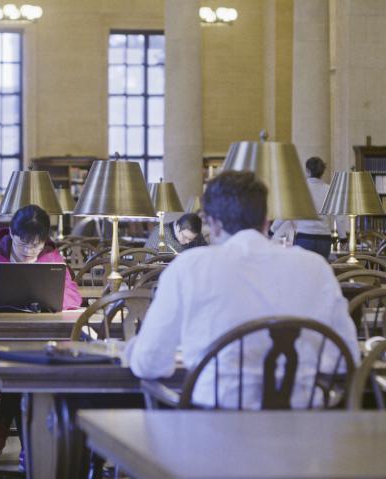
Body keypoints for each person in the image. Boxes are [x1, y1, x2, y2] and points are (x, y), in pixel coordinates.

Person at [125, 171, 359, 409]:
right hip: (302, 429)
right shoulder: (315, 267)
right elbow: (344, 360)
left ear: (212, 224)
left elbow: (149, 362)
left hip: (212, 430)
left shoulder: (189, 267)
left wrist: (132, 348)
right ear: (266, 220)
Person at [0, 204, 82, 457]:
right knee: (27, 365)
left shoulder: (51, 258)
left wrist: (55, 296)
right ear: (11, 234)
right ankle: (30, 452)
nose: (28, 251)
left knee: (29, 363)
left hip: (39, 336)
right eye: (23, 244)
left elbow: (73, 297)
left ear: (44, 241)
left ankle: (6, 429)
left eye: (35, 245)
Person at [270, 157, 343, 260]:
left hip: (305, 237)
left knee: (304, 272)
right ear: (322, 172)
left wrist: (272, 230)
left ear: (307, 170)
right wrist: (343, 237)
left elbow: (287, 212)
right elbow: (339, 216)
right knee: (320, 272)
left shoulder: (299, 189)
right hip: (324, 239)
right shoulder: (330, 190)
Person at [143, 212, 208, 253]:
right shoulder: (159, 233)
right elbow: (150, 264)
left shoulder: (197, 236)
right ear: (177, 226)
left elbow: (206, 254)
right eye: (185, 237)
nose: (188, 242)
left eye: (191, 239)